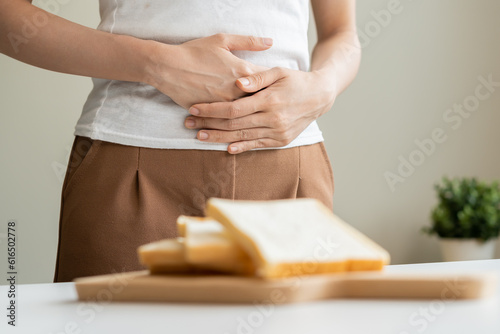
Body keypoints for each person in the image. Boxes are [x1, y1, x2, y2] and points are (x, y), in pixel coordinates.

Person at [0, 0, 361, 282]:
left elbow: (340, 31)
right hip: (133, 170)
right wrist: (158, 64)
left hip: (287, 174)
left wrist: (323, 88)